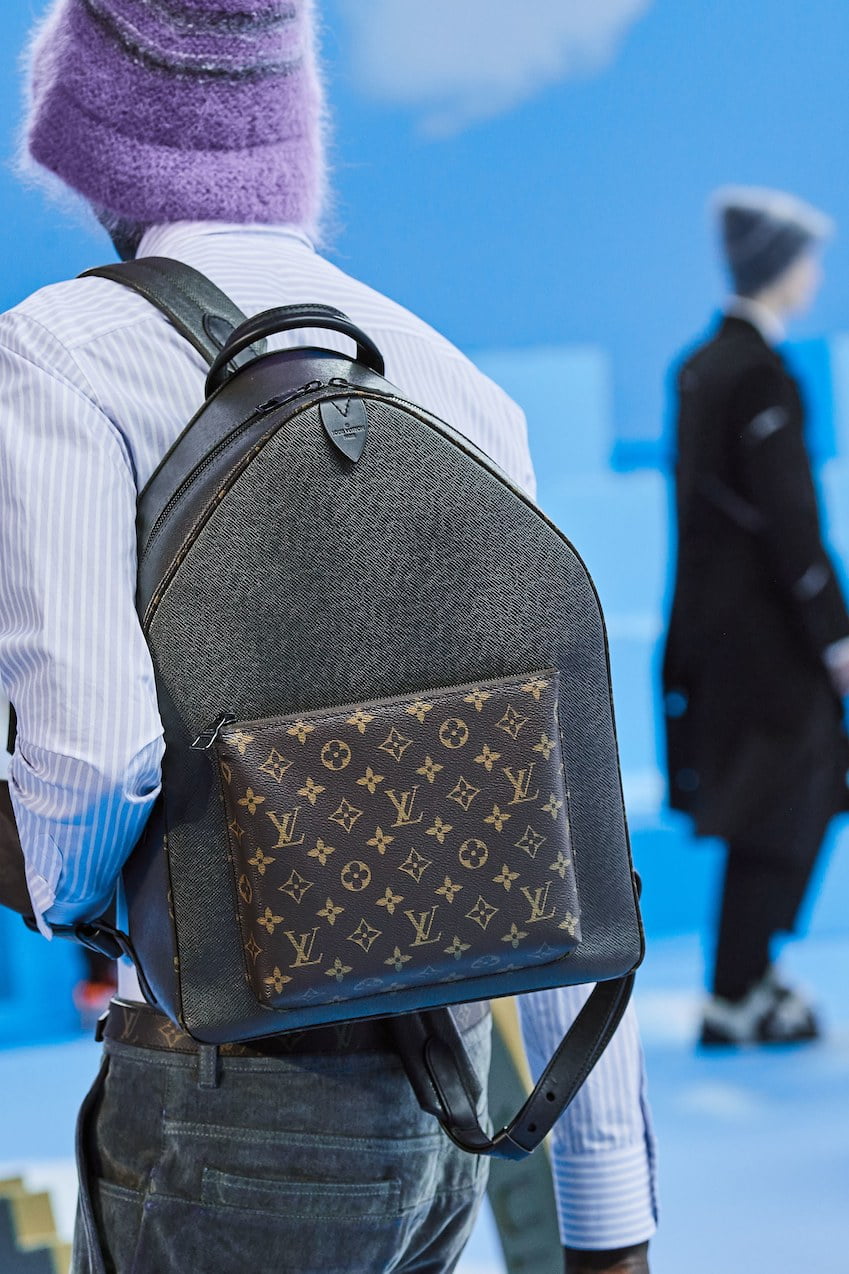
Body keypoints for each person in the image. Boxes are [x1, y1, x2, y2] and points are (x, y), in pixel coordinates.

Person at [1, 2, 655, 1270]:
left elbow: (89, 757)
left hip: (226, 1098)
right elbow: (562, 826)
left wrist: (67, 896)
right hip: (445, 1110)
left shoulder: (60, 355)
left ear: (86, 139)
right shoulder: (453, 381)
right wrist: (606, 1219)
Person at [662, 186, 849, 1047]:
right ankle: (736, 991)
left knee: (772, 807)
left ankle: (748, 975)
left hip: (714, 636)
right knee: (785, 805)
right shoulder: (759, 373)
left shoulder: (701, 368)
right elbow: (790, 520)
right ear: (779, 266)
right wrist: (836, 636)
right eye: (805, 256)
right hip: (772, 646)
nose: (815, 272)